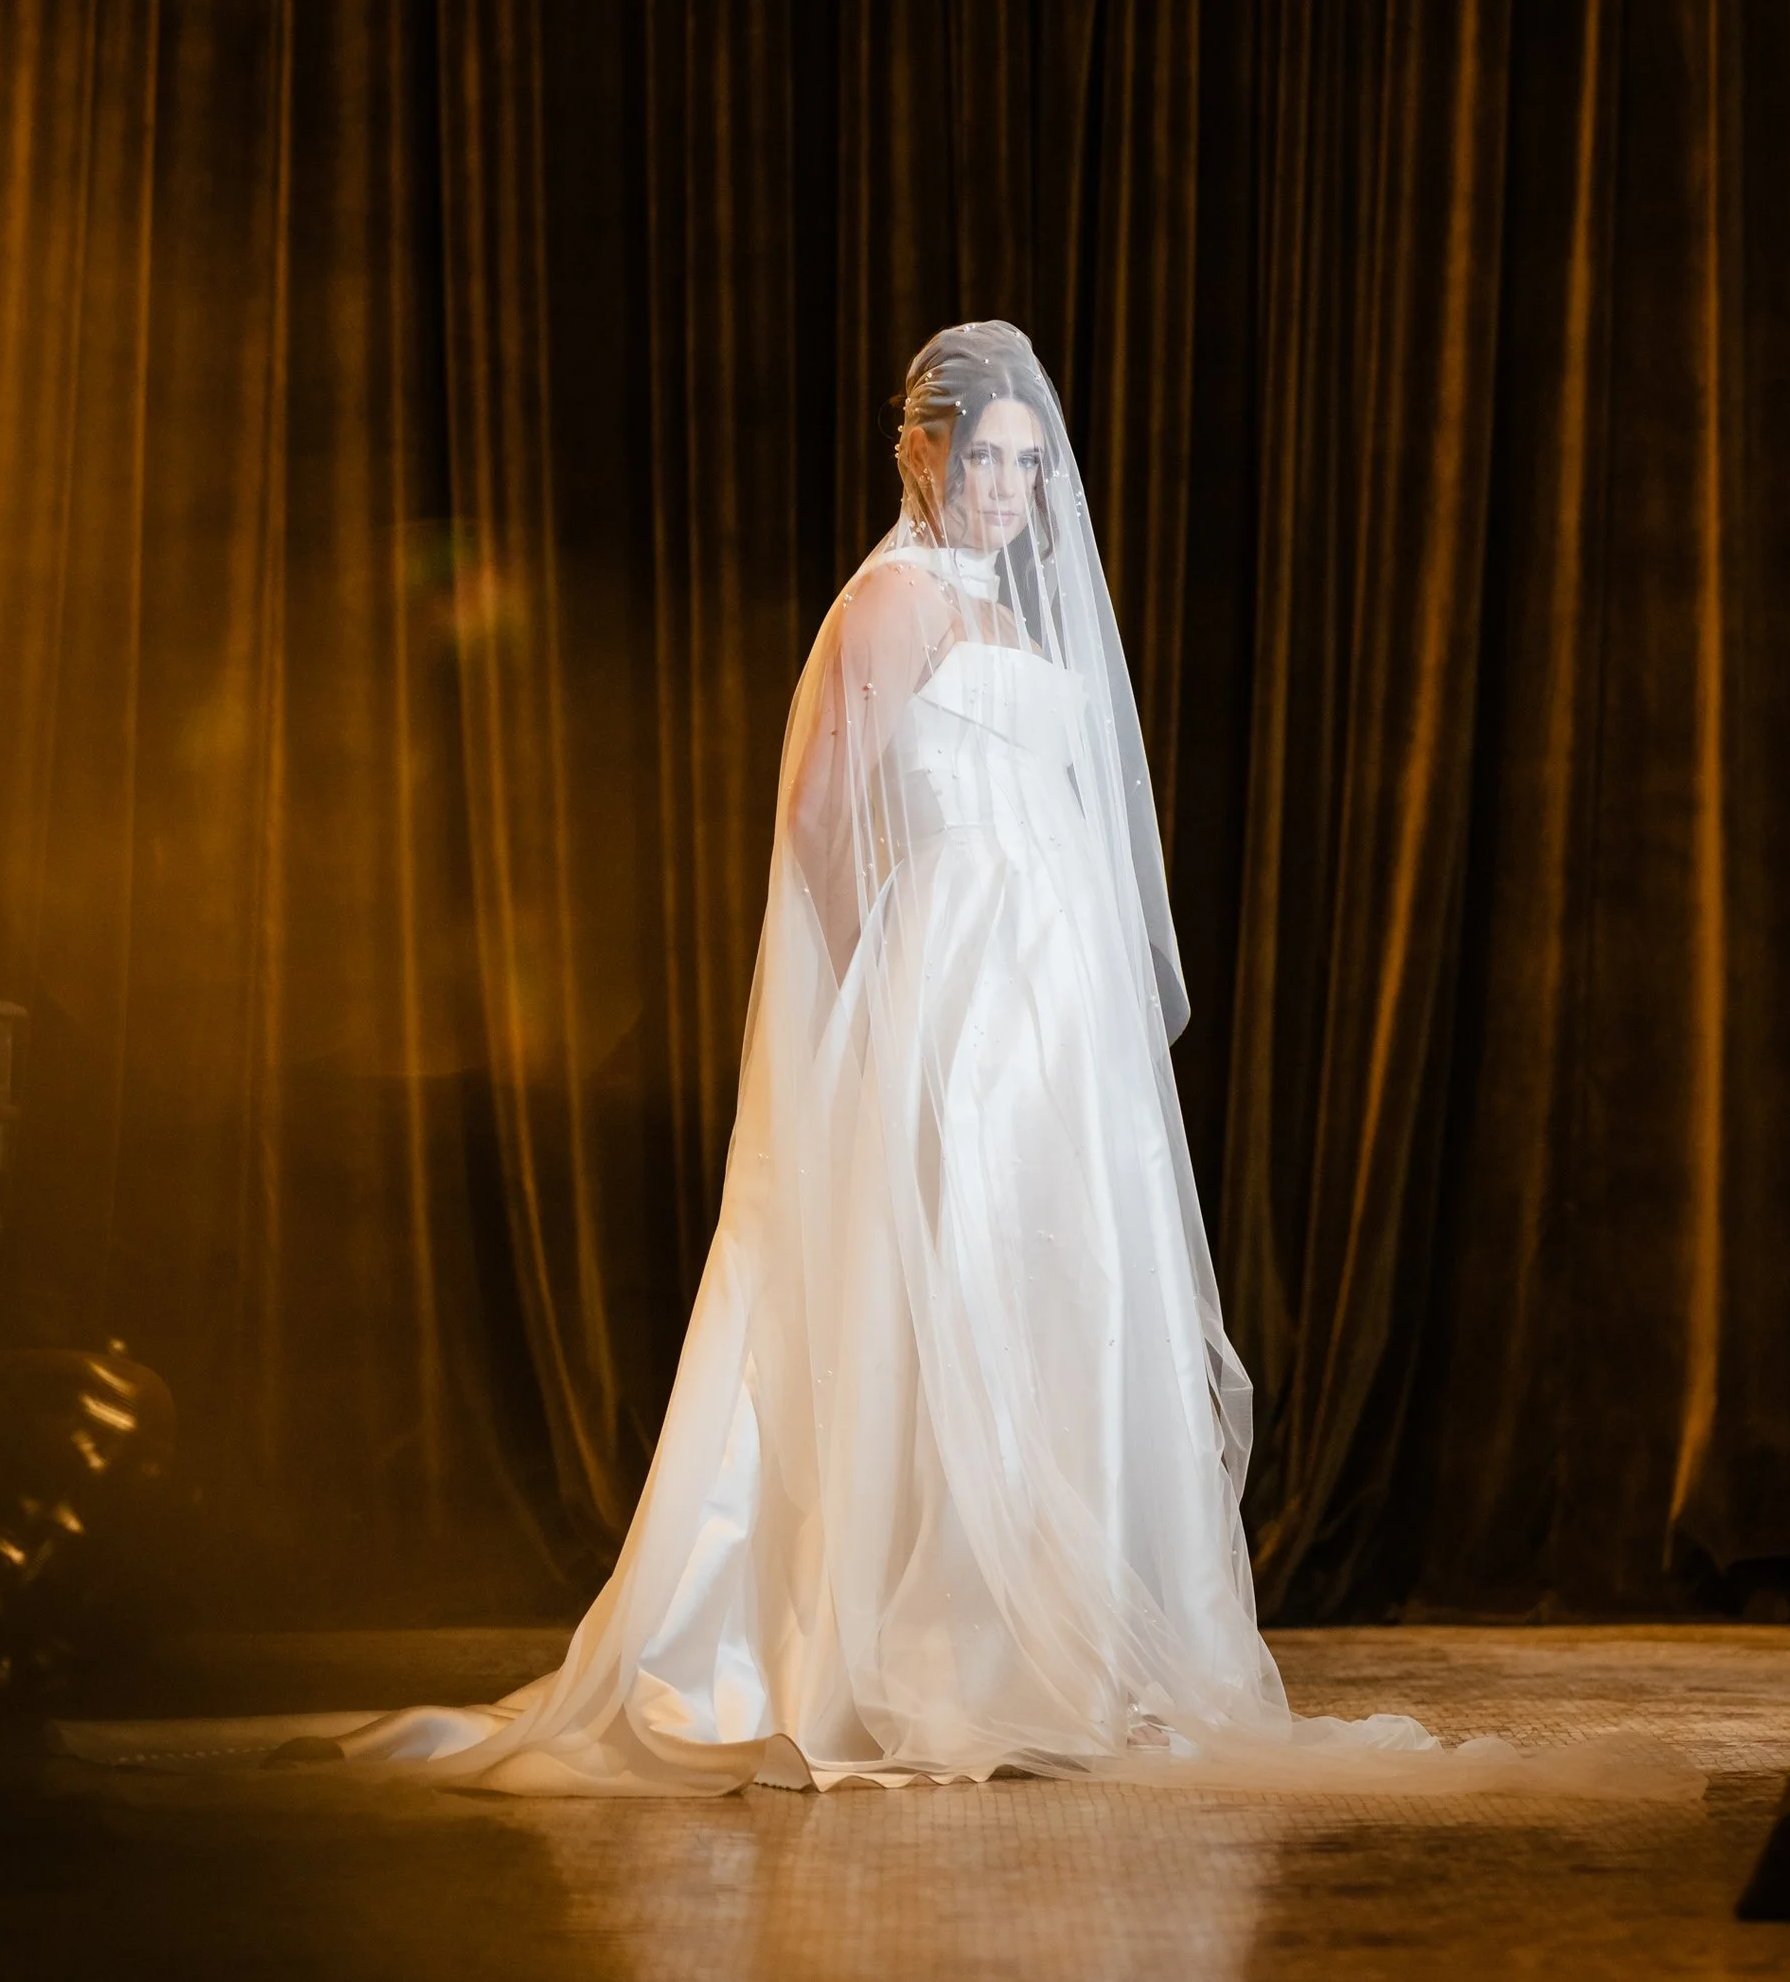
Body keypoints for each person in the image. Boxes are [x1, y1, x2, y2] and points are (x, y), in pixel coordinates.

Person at [301, 319, 1421, 1793]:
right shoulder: (890, 603)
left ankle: (1062, 1641)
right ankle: (939, 1643)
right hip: (951, 988)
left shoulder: (1019, 620)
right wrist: (871, 998)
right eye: (989, 458)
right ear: (921, 452)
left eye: (1033, 462)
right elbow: (824, 815)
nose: (1013, 488)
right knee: (942, 1278)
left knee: (1048, 1292)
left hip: (1048, 1009)